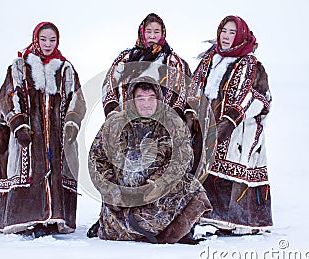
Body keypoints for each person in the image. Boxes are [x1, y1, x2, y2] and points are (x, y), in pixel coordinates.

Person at [0, 22, 86, 238]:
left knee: (55, 171)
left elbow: (77, 99)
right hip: (27, 135)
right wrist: (18, 124)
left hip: (57, 136)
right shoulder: (20, 66)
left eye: (52, 40)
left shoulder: (65, 68)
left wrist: (71, 123)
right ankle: (29, 218)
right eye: (43, 39)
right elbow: (7, 96)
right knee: (29, 170)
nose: (48, 44)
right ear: (35, 39)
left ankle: (52, 219)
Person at [88, 77, 212, 244]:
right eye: (140, 98)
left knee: (192, 186)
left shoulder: (173, 122)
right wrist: (113, 192)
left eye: (151, 98)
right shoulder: (115, 124)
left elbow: (183, 160)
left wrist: (157, 183)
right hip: (123, 199)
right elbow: (97, 160)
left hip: (158, 195)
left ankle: (175, 232)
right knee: (118, 227)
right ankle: (133, 229)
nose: (146, 103)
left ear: (159, 99)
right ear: (132, 99)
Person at [189, 15, 273, 235]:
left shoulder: (251, 64)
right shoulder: (210, 59)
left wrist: (229, 122)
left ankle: (237, 221)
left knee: (231, 167)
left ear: (241, 35)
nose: (226, 37)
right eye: (224, 31)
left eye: (232, 32)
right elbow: (194, 89)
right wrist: (190, 117)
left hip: (239, 133)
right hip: (207, 127)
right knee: (206, 168)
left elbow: (257, 99)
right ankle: (207, 215)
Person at [102, 13, 191, 119]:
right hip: (127, 121)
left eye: (156, 32)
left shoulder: (174, 62)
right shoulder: (125, 59)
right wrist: (113, 110)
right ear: (142, 33)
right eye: (148, 32)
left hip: (165, 124)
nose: (152, 36)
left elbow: (183, 89)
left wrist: (176, 114)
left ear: (163, 33)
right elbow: (110, 84)